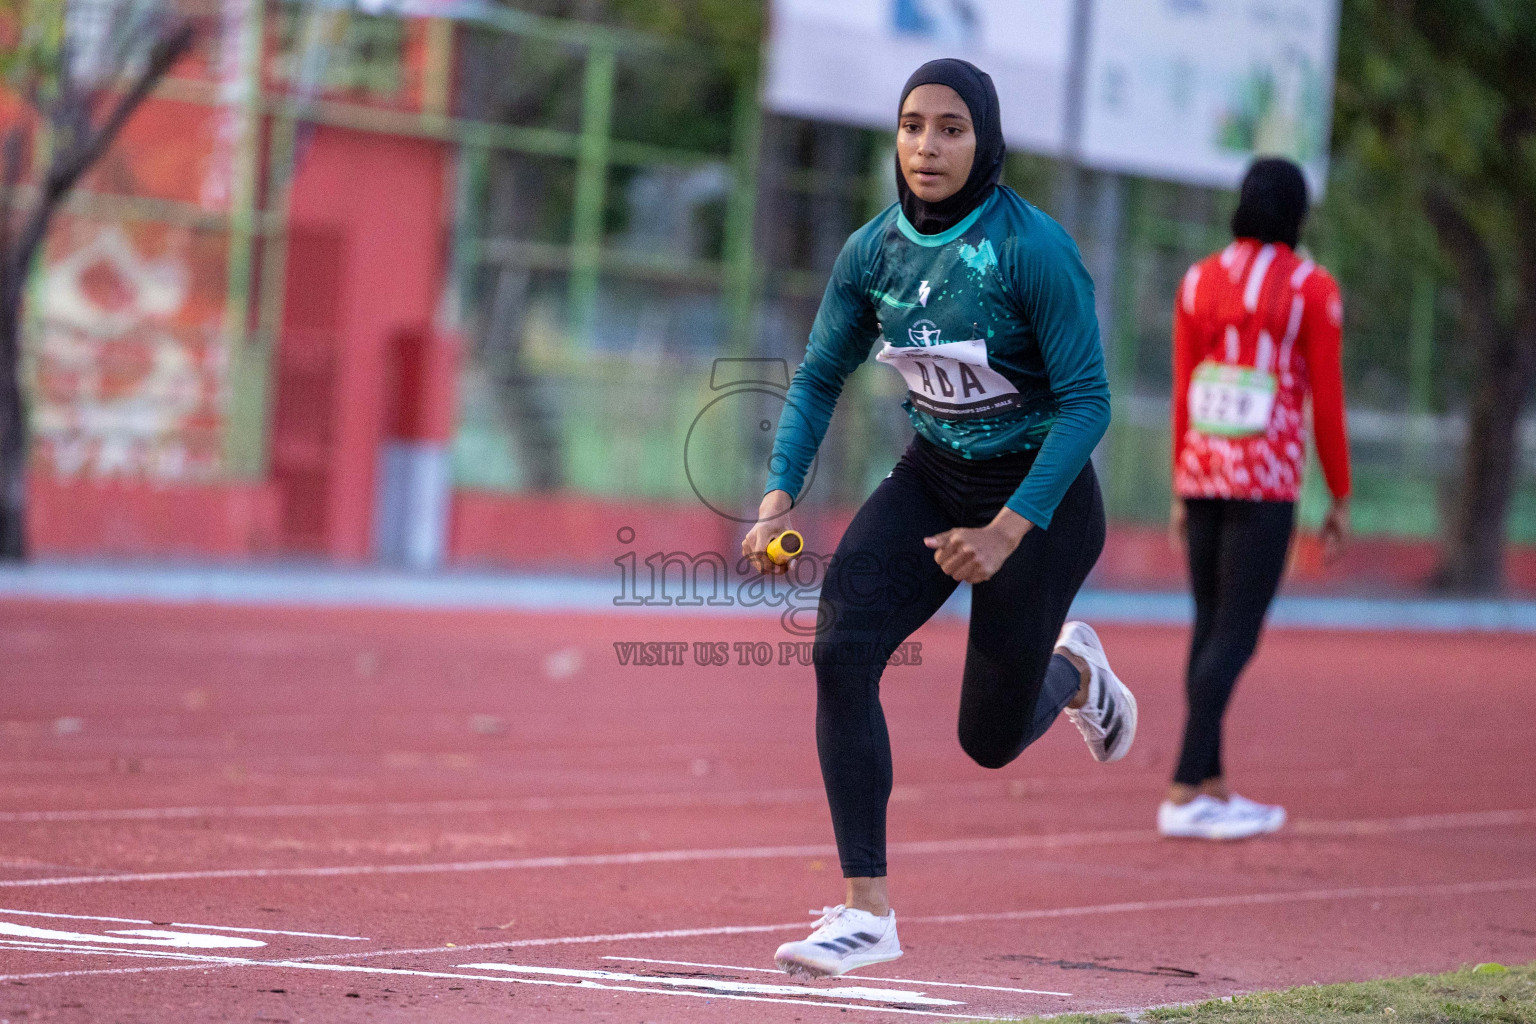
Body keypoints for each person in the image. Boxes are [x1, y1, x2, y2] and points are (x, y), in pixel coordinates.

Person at [741, 58, 1137, 979]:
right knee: (841, 647)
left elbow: (1087, 404)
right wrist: (774, 500)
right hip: (933, 478)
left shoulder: (1030, 250)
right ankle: (865, 911)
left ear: (984, 139)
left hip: (1040, 504)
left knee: (988, 741)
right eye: (912, 125)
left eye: (951, 128)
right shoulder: (871, 252)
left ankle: (1074, 670)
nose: (927, 146)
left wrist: (1006, 533)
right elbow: (818, 376)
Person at [1160, 157, 1351, 841]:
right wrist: (1340, 491)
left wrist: (1181, 481)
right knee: (1236, 633)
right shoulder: (1312, 287)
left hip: (1203, 470)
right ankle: (1184, 789)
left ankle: (1209, 784)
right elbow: (1325, 400)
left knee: (1210, 625)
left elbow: (1185, 386)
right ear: (1297, 215)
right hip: (1266, 480)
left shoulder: (1197, 281)